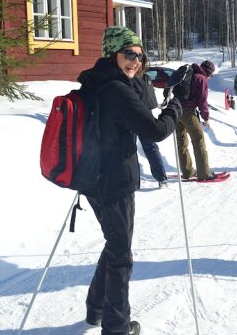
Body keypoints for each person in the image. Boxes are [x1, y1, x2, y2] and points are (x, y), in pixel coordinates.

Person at [77, 26, 182, 335]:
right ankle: (116, 326)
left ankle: (96, 308)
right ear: (113, 54)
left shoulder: (99, 80)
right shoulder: (116, 89)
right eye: (128, 53)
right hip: (114, 181)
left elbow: (142, 102)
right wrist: (175, 106)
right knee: (121, 254)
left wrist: (146, 82)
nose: (135, 60)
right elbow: (155, 130)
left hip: (94, 176)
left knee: (115, 241)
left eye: (139, 54)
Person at [173, 60, 219, 180]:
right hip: (188, 111)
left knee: (181, 142)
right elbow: (202, 101)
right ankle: (204, 173)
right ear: (208, 73)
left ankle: (187, 172)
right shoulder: (201, 78)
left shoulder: (189, 73)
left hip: (175, 109)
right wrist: (206, 118)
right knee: (198, 140)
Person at [138, 68, 168, 188]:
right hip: (147, 114)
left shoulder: (132, 79)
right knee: (150, 146)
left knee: (130, 147)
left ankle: (133, 179)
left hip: (134, 114)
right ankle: (162, 178)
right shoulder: (147, 78)